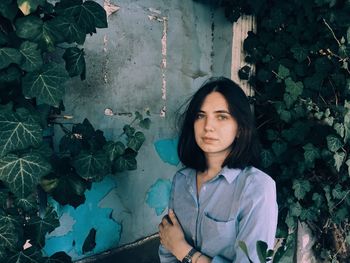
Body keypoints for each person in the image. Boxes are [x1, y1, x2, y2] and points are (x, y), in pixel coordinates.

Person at [158, 77, 278, 263]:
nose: (208, 126)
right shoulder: (182, 180)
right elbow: (167, 249)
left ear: (240, 128)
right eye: (200, 116)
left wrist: (184, 250)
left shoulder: (257, 188)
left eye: (221, 116)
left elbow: (176, 247)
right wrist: (173, 247)